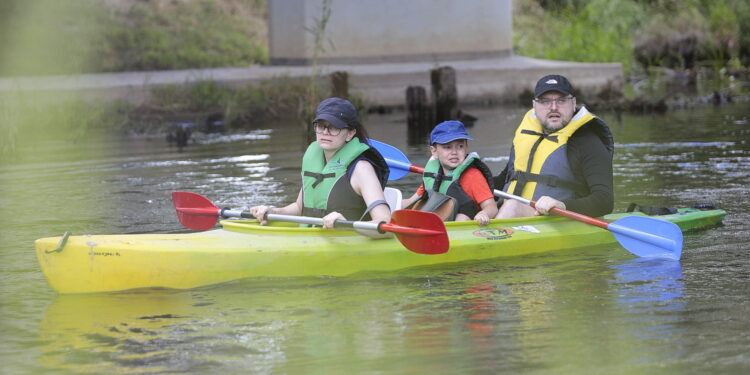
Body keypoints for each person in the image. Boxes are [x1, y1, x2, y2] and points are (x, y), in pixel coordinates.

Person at [249, 97, 392, 238]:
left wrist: (346, 224)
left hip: (349, 243)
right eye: (321, 125)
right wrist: (272, 211)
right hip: (311, 237)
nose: (325, 132)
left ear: (350, 133)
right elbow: (299, 208)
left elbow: (386, 225)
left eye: (334, 127)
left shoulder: (362, 169)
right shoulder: (315, 162)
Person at [494, 74, 614, 218]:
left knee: (512, 206)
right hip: (508, 216)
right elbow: (505, 178)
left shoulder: (587, 142)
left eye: (561, 101)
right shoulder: (527, 136)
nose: (553, 108)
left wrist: (562, 205)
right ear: (534, 105)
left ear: (573, 103)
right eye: (545, 102)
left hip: (555, 221)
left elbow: (604, 201)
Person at [403, 120, 498, 225]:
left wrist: (484, 214)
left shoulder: (473, 176)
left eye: (460, 146)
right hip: (440, 223)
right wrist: (389, 204)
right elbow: (411, 201)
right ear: (434, 151)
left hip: (467, 225)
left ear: (466, 148)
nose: (454, 152)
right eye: (447, 147)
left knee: (461, 217)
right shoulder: (433, 175)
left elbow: (491, 207)